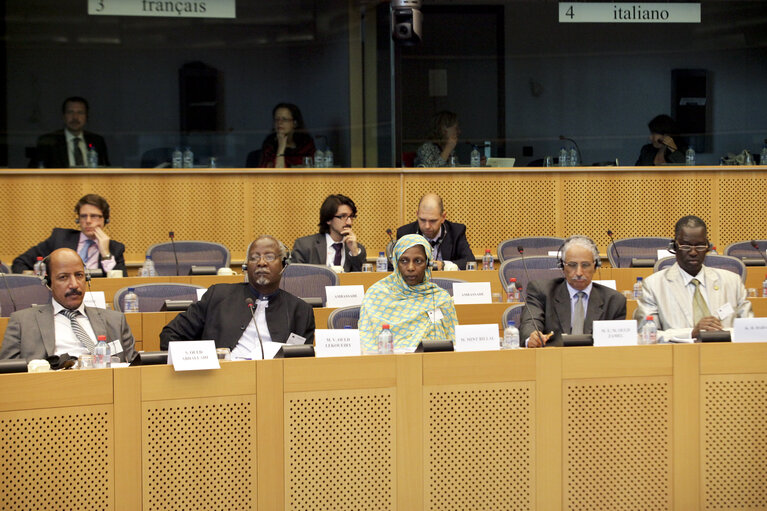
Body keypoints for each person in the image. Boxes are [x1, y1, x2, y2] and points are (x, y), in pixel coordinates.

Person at [160, 235, 315, 358]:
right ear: (246, 267)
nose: (261, 262)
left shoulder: (300, 311)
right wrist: (202, 361)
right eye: (254, 257)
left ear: (283, 264)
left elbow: (300, 362)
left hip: (273, 384)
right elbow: (171, 335)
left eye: (269, 257)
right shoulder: (218, 296)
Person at [0, 248, 137, 362]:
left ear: (87, 279)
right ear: (48, 283)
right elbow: (8, 373)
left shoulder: (115, 321)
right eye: (63, 277)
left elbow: (135, 369)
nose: (74, 284)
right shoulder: (22, 322)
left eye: (79, 275)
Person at [634, 216, 752, 341]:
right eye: (686, 246)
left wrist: (722, 333)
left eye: (700, 246)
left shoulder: (732, 282)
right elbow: (645, 335)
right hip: (678, 356)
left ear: (708, 247)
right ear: (674, 246)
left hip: (727, 354)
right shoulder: (653, 286)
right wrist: (691, 332)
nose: (693, 252)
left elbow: (749, 330)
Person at [520, 235, 627, 347]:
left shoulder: (614, 301)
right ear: (562, 266)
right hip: (553, 360)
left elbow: (617, 344)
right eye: (572, 265)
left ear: (595, 266)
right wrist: (531, 338)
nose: (579, 272)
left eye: (585, 265)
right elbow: (530, 324)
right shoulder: (542, 291)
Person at [358, 234, 458, 352]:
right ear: (395, 263)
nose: (411, 267)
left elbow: (454, 343)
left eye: (418, 261)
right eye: (404, 261)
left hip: (434, 364)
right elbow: (367, 342)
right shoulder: (376, 295)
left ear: (428, 264)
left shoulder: (440, 298)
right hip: (389, 365)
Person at [12, 194, 126, 275]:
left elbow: (119, 283)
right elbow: (19, 263)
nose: (88, 221)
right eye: (83, 216)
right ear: (78, 220)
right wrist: (35, 277)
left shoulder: (115, 248)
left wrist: (105, 253)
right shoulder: (60, 238)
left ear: (105, 220)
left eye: (94, 216)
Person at [396, 193, 474, 270]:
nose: (427, 226)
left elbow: (470, 262)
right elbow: (393, 265)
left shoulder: (456, 232)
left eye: (433, 221)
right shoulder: (405, 233)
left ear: (443, 217)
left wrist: (444, 265)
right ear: (417, 214)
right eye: (422, 220)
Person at [292, 194, 367, 272]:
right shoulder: (305, 246)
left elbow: (361, 279)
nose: (349, 222)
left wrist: (354, 252)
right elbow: (297, 279)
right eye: (343, 216)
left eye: (351, 216)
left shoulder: (357, 250)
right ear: (328, 219)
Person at [30, 96, 110, 168]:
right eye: (70, 112)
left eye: (80, 113)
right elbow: (34, 172)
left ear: (86, 117)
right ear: (63, 117)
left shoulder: (97, 141)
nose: (75, 117)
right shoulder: (48, 142)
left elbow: (106, 170)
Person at [258, 103, 316, 168]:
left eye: (284, 119)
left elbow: (311, 169)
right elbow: (276, 174)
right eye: (277, 119)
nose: (279, 122)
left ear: (295, 123)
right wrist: (281, 148)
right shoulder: (269, 144)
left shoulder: (306, 144)